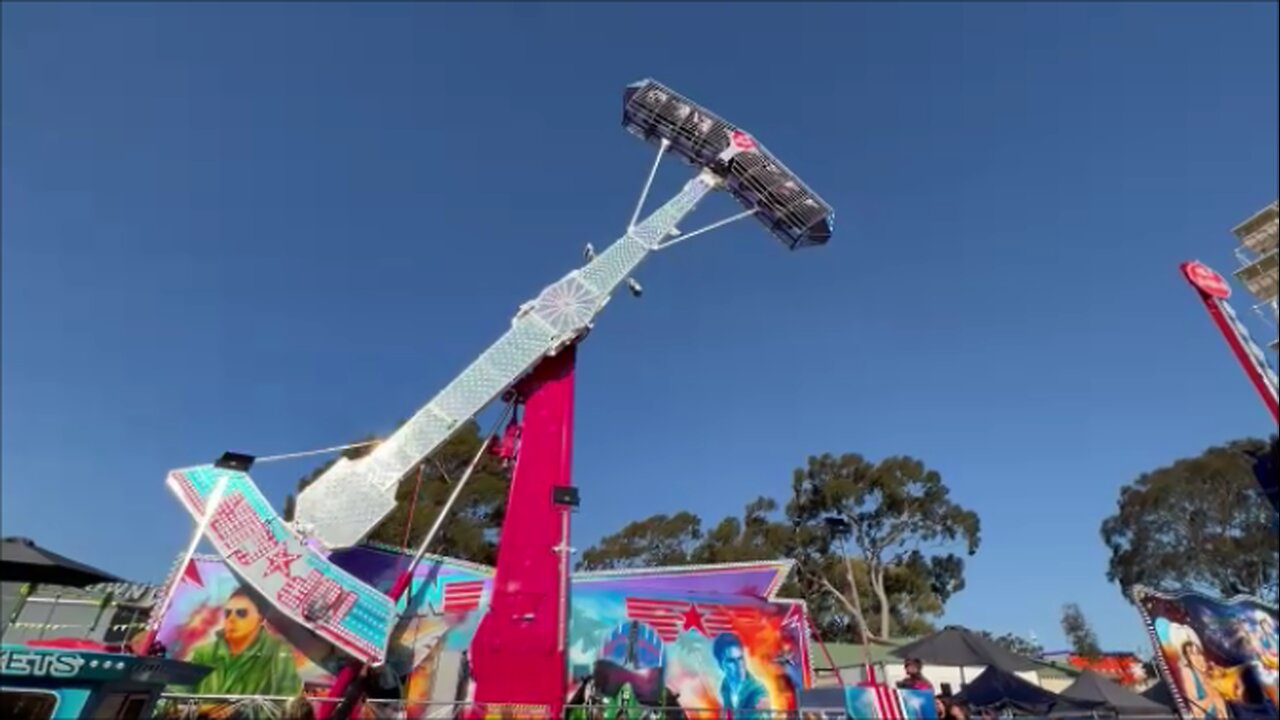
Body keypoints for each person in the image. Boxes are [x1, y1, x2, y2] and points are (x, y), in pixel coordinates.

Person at [187, 586, 303, 698]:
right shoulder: (204, 653)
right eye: (228, 613)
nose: (231, 619)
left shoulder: (277, 652)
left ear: (260, 617)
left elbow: (287, 703)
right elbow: (180, 691)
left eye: (241, 613)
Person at [712, 633, 768, 712]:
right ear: (721, 666)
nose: (739, 665)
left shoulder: (757, 691)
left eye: (740, 658)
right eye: (731, 661)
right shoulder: (725, 688)